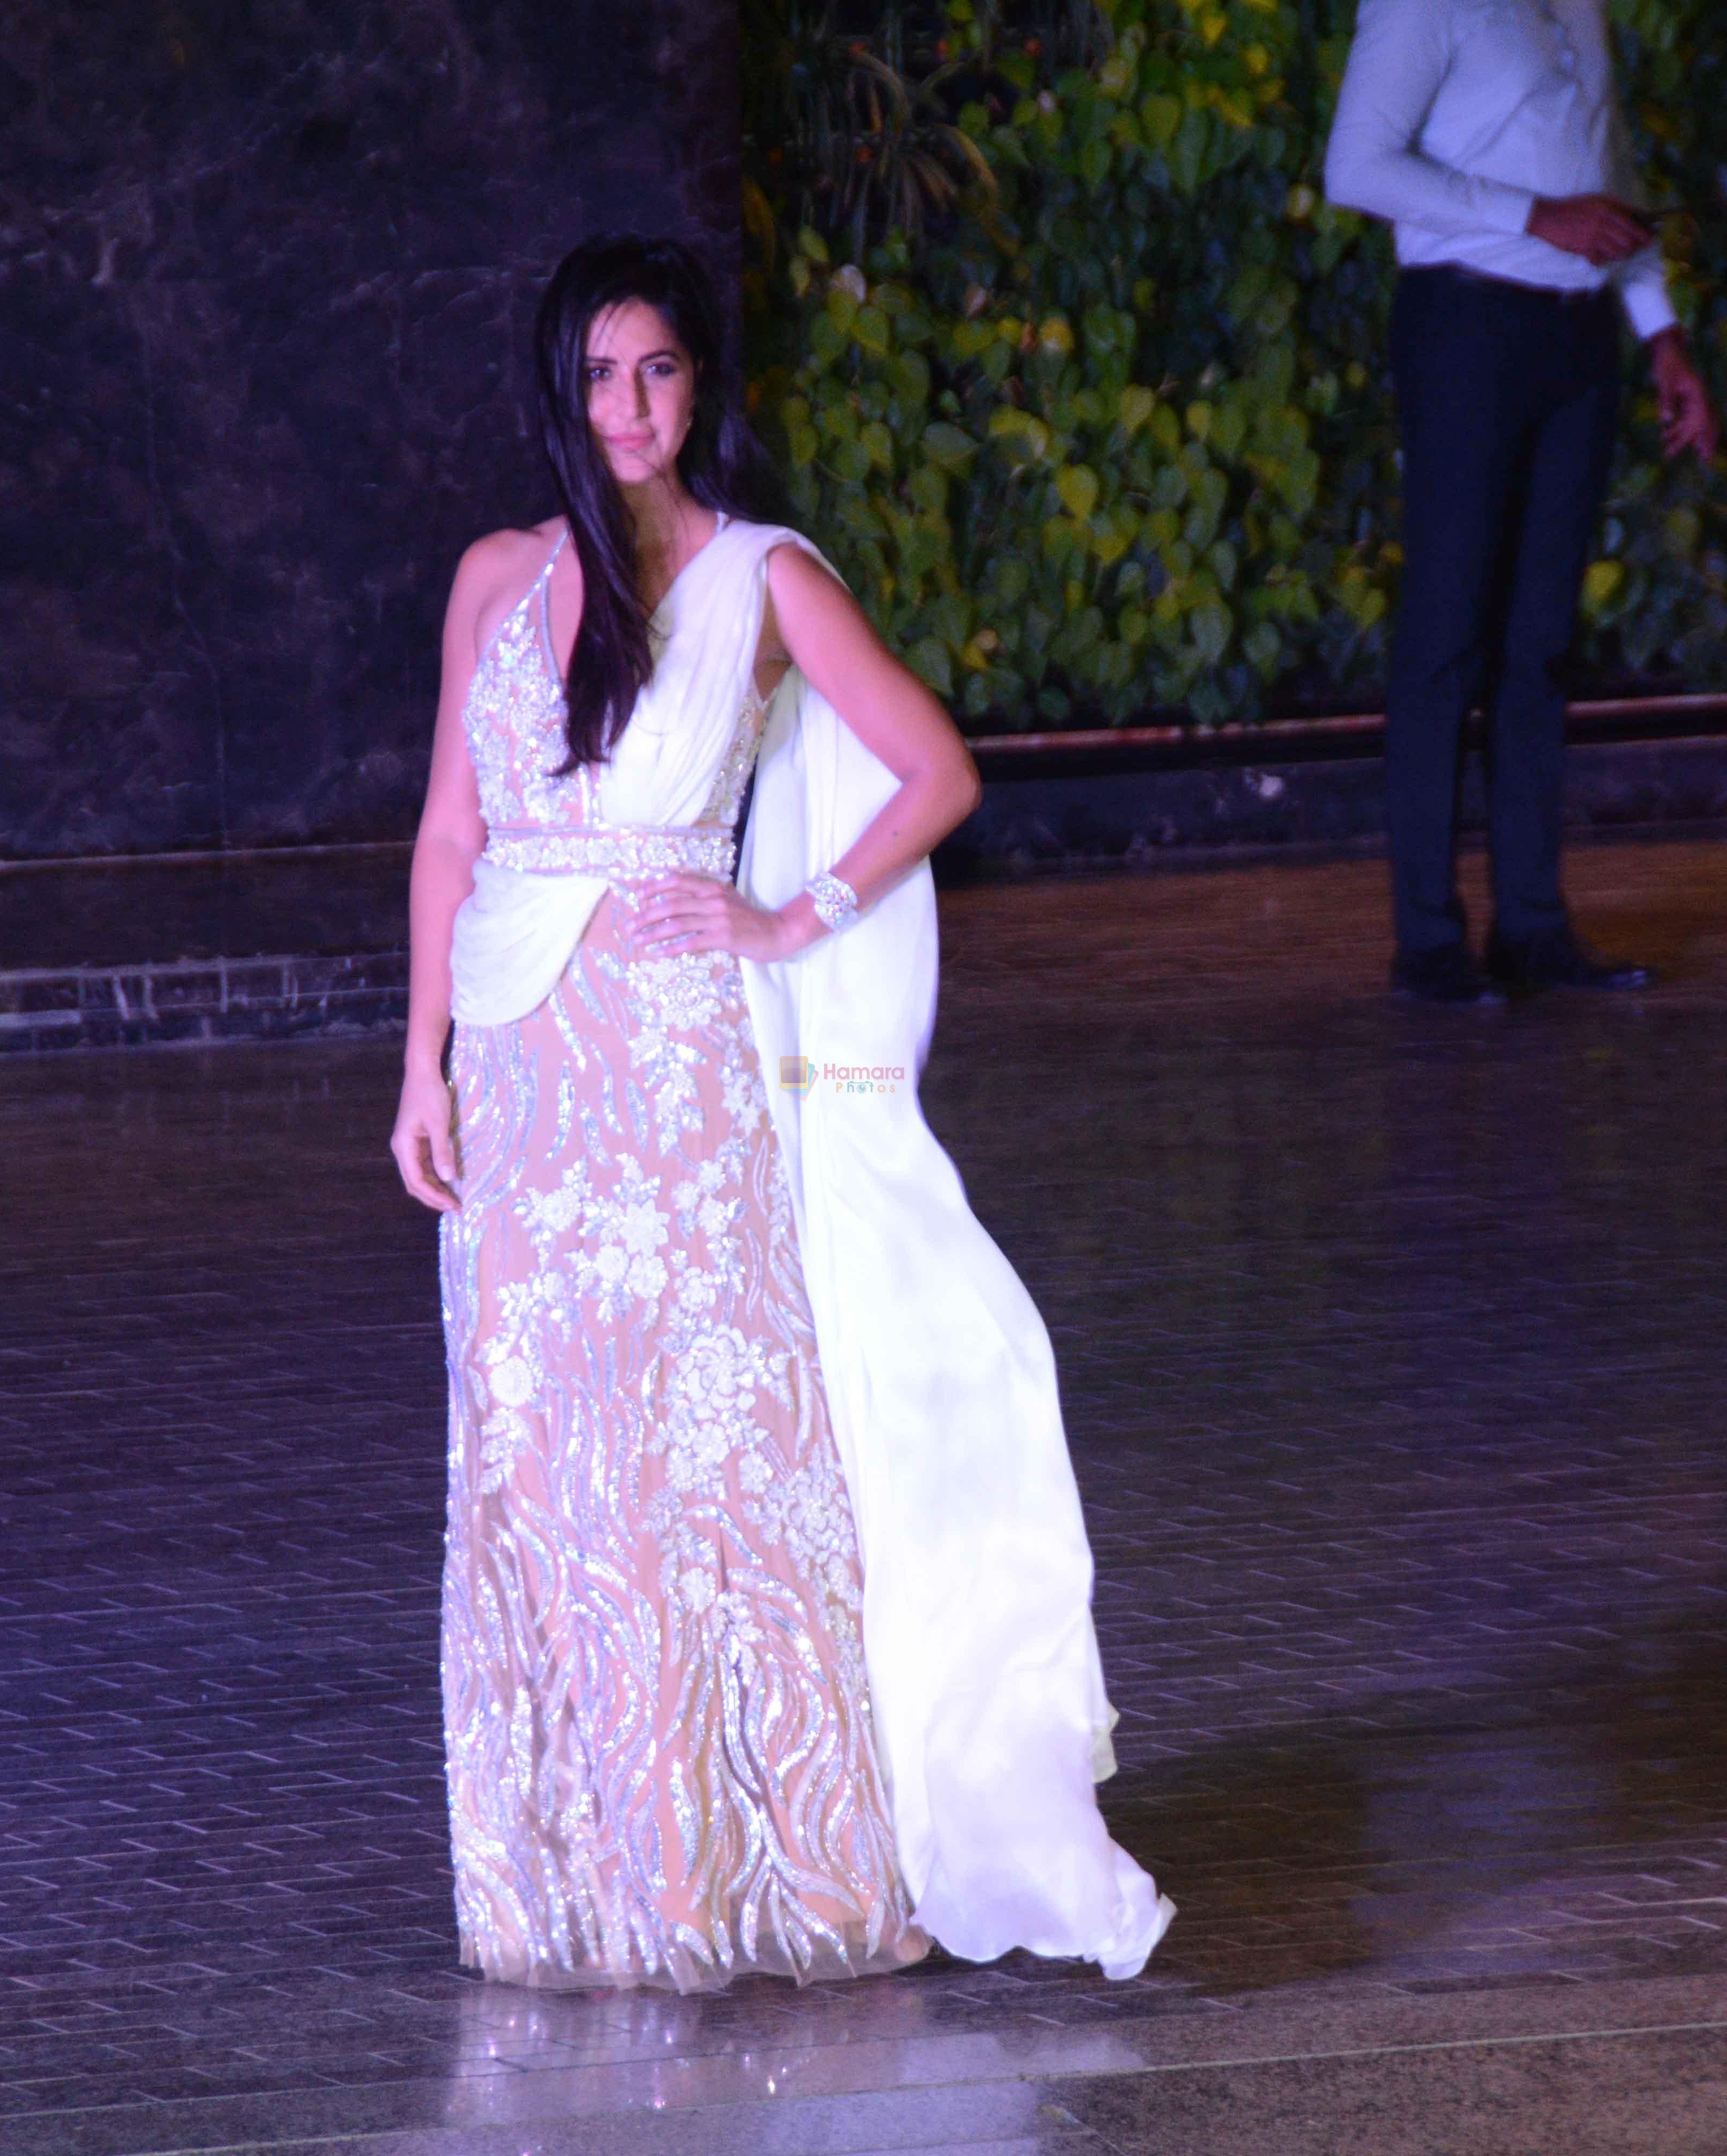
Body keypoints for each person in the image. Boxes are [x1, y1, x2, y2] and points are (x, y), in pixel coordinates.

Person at [388, 234, 1173, 1991]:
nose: (630, 408)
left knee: (701, 1462)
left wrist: (782, 917)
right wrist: (420, 1060)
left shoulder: (757, 577)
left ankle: (751, 1871)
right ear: (556, 395)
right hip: (520, 1072)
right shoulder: (494, 579)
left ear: (699, 387)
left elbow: (935, 771)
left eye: (658, 371)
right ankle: (578, 1888)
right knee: (540, 1467)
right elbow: (449, 830)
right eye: (598, 376)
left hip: (678, 1070)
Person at [1323, 0, 1724, 1005]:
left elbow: (1607, 165)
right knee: (1446, 635)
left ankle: (1533, 928)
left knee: (1540, 642)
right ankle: (1427, 943)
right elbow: (1357, 168)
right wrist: (1533, 217)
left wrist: (1660, 330)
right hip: (1468, 322)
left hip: (1578, 333)